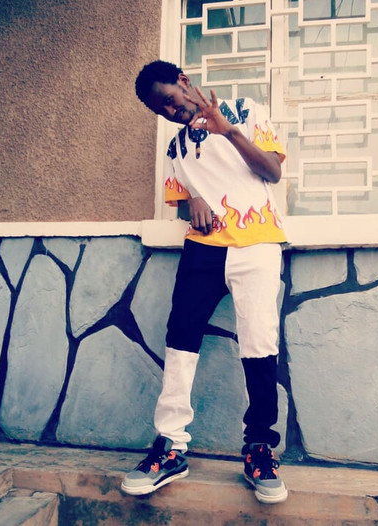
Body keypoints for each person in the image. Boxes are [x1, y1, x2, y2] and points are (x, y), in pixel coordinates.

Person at [121, 60, 288, 504]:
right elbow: (179, 200)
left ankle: (259, 448)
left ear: (184, 82)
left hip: (256, 243)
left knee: (259, 343)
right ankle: (171, 446)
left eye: (170, 100)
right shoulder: (176, 147)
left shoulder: (245, 110)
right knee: (180, 338)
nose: (170, 112)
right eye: (161, 110)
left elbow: (272, 171)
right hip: (203, 249)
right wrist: (192, 200)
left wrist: (228, 131)